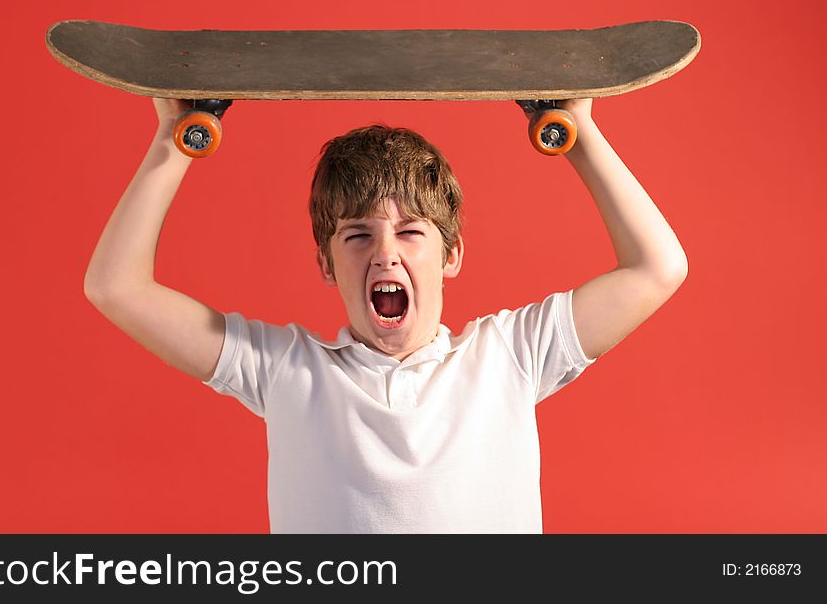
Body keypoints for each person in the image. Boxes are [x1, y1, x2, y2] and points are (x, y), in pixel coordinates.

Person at [83, 98, 688, 533]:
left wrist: (577, 130)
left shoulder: (511, 354)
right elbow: (117, 287)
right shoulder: (286, 371)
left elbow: (658, 267)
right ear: (327, 264)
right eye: (357, 236)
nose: (386, 253)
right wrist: (175, 136)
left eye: (410, 231)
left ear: (451, 255)